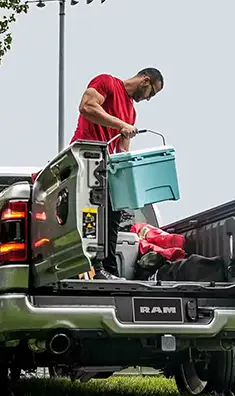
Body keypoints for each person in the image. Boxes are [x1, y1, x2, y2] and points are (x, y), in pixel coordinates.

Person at [70, 68, 164, 280]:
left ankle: (108, 270)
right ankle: (85, 265)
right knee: (89, 217)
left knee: (113, 214)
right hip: (86, 161)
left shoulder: (131, 113)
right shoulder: (107, 83)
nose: (149, 99)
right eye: (152, 93)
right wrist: (121, 125)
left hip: (107, 169)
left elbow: (123, 151)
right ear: (145, 80)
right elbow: (86, 106)